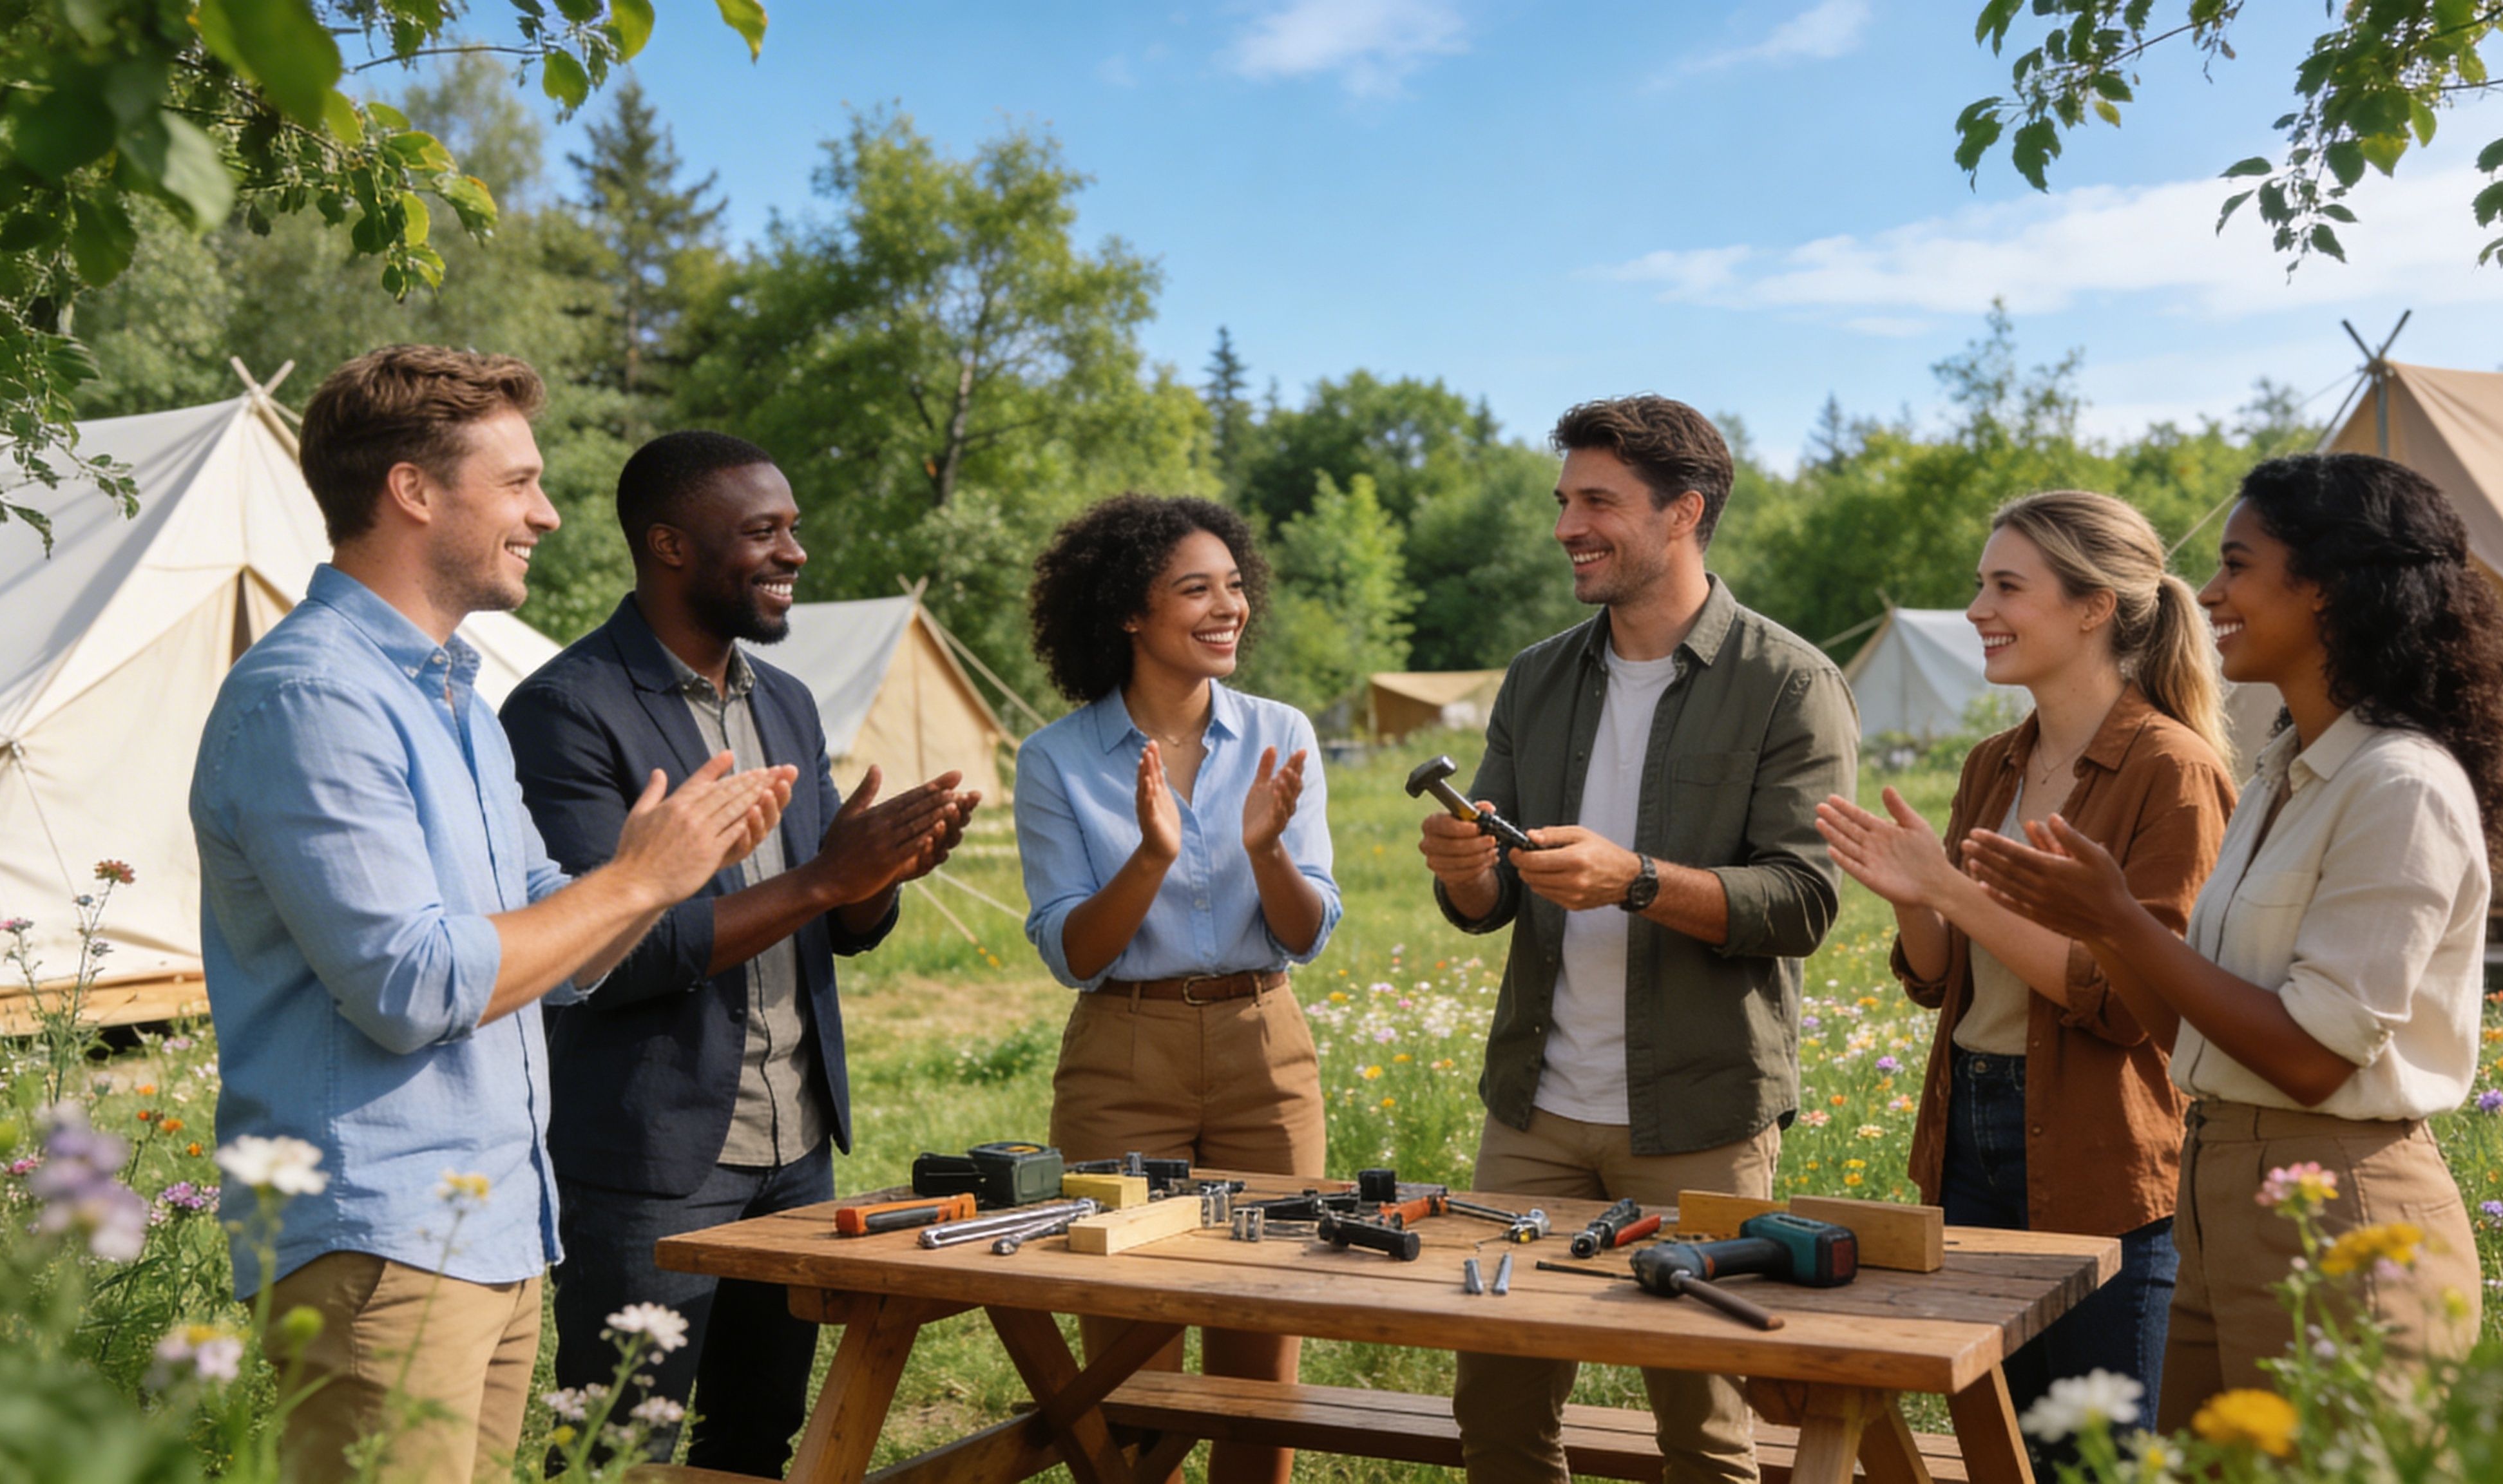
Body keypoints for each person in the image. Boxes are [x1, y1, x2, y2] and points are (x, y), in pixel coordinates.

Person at [194, 347, 792, 1484]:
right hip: (380, 1243)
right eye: (518, 482)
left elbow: (550, 947)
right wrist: (635, 883)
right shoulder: (314, 696)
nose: (549, 514)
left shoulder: (455, 695)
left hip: (498, 1228)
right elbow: (412, 988)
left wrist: (658, 873)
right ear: (415, 492)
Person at [1964, 453, 2503, 1429]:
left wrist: (2117, 921)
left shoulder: (2399, 784)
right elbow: (2188, 1033)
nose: (2209, 592)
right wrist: (2091, 926)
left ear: (2328, 590)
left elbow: (2310, 1059)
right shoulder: (2279, 775)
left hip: (2339, 1205)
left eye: (2237, 565)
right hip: (2219, 1193)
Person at [498, 431, 978, 1474]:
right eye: (764, 531)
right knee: (622, 1449)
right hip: (651, 1159)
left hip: (796, 1146)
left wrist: (872, 881)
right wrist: (821, 881)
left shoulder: (788, 702)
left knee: (759, 1440)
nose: (795, 552)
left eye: (793, 528)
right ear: (670, 545)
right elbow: (607, 950)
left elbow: (834, 924)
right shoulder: (565, 712)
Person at [1417, 395, 1857, 1484]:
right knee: (1499, 1406)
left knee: (1703, 1428)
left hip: (1700, 1118)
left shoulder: (1790, 682)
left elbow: (1803, 901)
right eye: (1565, 500)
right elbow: (1493, 908)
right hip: (1536, 1113)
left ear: (1684, 513)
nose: (1568, 524)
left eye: (1597, 501)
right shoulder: (1537, 677)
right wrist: (1468, 878)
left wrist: (1639, 881)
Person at [1814, 490, 2236, 1458]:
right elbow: (1939, 979)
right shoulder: (1993, 764)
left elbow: (2134, 1003)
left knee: (2096, 1458)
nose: (1976, 610)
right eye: (1978, 585)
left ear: (2094, 607)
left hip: (2103, 1154)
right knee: (2001, 1446)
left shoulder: (2171, 770)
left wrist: (1956, 896)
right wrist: (1911, 896)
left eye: (2007, 586)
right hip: (1970, 1135)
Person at [1014, 494, 1341, 1484]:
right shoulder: (1056, 759)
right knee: (1132, 1353)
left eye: (1234, 587)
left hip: (1264, 1047)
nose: (1226, 607)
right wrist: (1152, 857)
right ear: (1127, 612)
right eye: (1195, 590)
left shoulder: (1283, 733)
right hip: (1124, 1056)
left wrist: (1267, 850)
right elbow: (1074, 951)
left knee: (1263, 1340)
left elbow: (1309, 929)